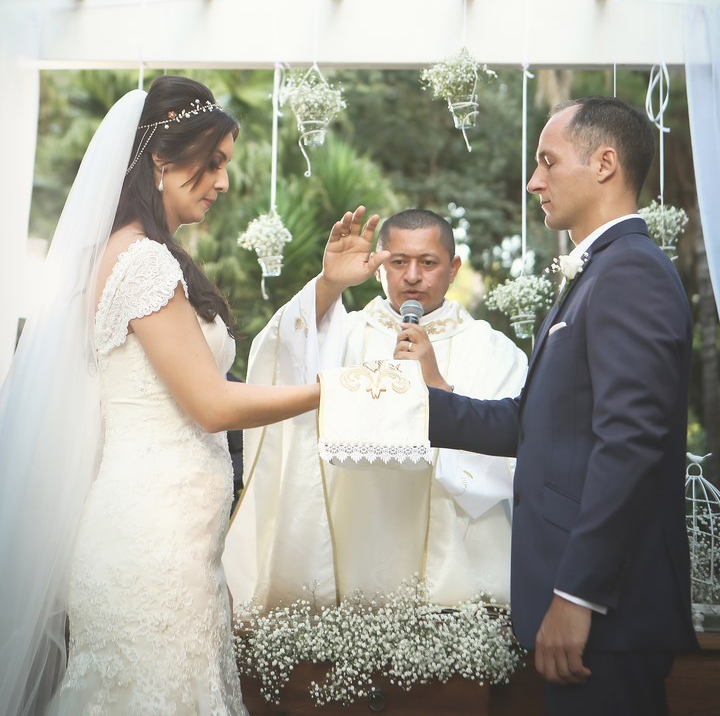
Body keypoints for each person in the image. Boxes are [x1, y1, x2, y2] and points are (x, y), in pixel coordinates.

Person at [0, 75, 320, 716]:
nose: (223, 182)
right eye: (215, 162)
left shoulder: (140, 254)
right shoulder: (142, 261)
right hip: (150, 544)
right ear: (161, 158)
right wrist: (329, 392)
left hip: (171, 538)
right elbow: (212, 405)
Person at [410, 97, 697, 716]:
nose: (533, 180)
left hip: (606, 611)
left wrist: (578, 592)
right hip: (584, 605)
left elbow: (631, 441)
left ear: (604, 163)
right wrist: (424, 401)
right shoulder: (597, 274)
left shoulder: (629, 274)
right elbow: (534, 422)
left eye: (547, 161)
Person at [223, 207, 527, 610]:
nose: (413, 276)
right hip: (358, 548)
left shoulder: (493, 350)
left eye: (428, 263)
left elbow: (514, 449)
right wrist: (330, 284)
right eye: (398, 262)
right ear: (378, 265)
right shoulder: (346, 334)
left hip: (459, 563)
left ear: (453, 268)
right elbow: (282, 356)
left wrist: (437, 387)